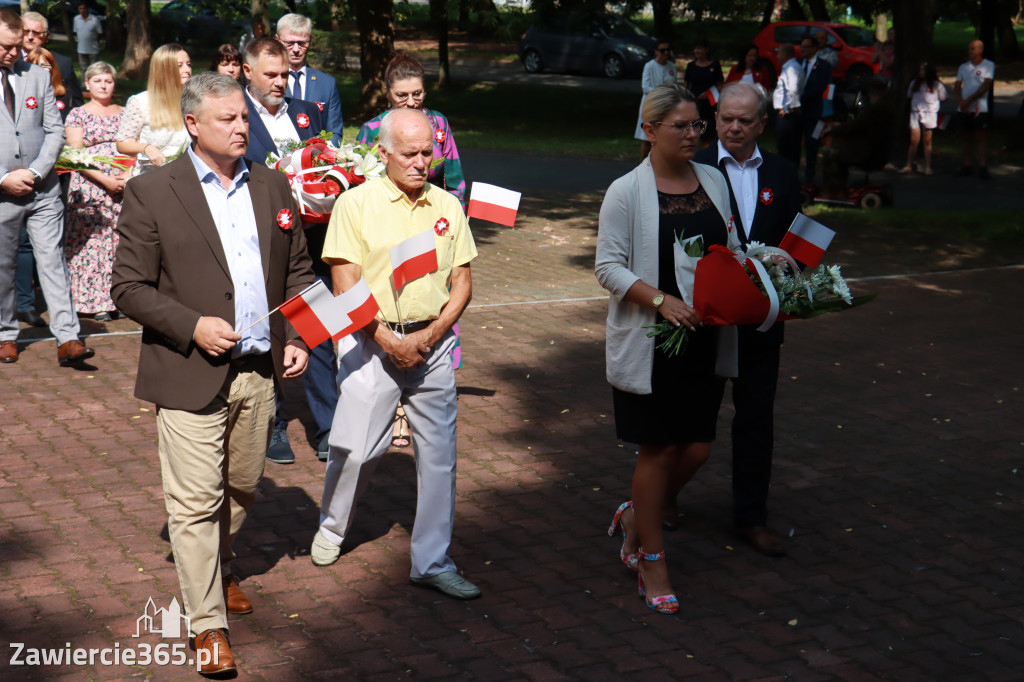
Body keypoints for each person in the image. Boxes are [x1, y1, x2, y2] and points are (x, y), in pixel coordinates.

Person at [110, 72, 315, 676]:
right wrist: (190, 325)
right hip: (188, 370)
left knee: (241, 489)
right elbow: (127, 287)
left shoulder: (275, 187)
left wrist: (302, 334)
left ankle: (216, 570)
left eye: (245, 118)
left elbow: (299, 271)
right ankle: (207, 625)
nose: (241, 127)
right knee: (195, 503)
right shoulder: (152, 191)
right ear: (193, 124)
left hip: (258, 373)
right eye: (228, 119)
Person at [313, 107, 482, 602]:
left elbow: (463, 285)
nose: (421, 161)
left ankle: (432, 560)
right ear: (382, 153)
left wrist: (428, 338)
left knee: (439, 459)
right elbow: (345, 282)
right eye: (409, 153)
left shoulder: (448, 206)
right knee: (356, 447)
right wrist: (388, 340)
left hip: (431, 342)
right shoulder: (355, 204)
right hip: (370, 342)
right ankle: (331, 527)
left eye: (428, 151)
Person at [596, 84, 742, 614]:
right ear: (650, 129)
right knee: (656, 451)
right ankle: (651, 559)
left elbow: (728, 248)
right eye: (681, 126)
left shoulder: (714, 180)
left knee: (698, 447)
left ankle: (638, 514)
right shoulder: (626, 191)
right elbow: (607, 267)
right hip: (652, 342)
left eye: (698, 125)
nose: (694, 135)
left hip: (703, 339)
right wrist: (661, 300)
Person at [694, 82, 802, 556]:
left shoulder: (784, 172)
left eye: (744, 120)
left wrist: (800, 288)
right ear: (715, 121)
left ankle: (750, 517)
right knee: (692, 414)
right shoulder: (692, 167)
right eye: (726, 119)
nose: (734, 127)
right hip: (704, 317)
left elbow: (799, 241)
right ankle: (667, 499)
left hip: (762, 321)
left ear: (762, 123)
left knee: (756, 418)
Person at [240, 37, 332, 465]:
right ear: (247, 71)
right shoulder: (236, 116)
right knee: (272, 333)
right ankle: (274, 423)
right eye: (270, 75)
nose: (281, 82)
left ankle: (327, 424)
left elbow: (327, 168)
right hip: (259, 242)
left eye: (283, 75)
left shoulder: (306, 112)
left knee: (319, 328)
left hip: (312, 241)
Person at [1, 9, 94, 366]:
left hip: (43, 189)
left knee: (52, 261)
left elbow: (56, 130)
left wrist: (38, 172)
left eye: (15, 47)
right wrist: (4, 178)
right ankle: (6, 334)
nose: (13, 53)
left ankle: (68, 337)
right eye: (6, 47)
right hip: (2, 192)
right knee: (3, 264)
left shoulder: (37, 76)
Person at [357, 53, 465, 206]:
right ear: (387, 92)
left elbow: (455, 181)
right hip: (387, 212)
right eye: (401, 95)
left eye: (417, 94)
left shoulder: (439, 123)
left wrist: (456, 217)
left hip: (433, 210)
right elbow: (361, 184)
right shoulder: (372, 129)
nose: (411, 102)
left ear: (424, 90)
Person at [64, 61, 124, 321]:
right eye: (97, 80)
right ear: (87, 84)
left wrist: (124, 177)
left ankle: (118, 299)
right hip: (90, 187)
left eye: (108, 80)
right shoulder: (78, 114)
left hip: (123, 184)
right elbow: (73, 153)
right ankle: (93, 301)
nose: (103, 85)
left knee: (118, 243)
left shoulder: (125, 112)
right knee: (92, 244)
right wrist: (105, 180)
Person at [116, 44, 191, 175]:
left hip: (188, 176)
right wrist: (146, 149)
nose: (187, 69)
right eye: (180, 66)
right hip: (154, 179)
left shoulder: (195, 100)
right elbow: (122, 143)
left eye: (188, 64)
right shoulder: (140, 101)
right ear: (164, 70)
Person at [821, 78, 898, 197]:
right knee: (838, 151)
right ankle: (837, 188)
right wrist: (841, 126)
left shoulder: (876, 108)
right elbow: (860, 125)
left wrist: (833, 130)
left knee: (830, 155)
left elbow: (855, 126)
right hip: (876, 148)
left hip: (868, 151)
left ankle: (834, 190)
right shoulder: (887, 105)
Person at [275, 13, 343, 139]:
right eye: (289, 43)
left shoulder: (327, 84)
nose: (296, 49)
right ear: (277, 40)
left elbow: (335, 133)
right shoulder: (269, 81)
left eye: (301, 43)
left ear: (310, 41)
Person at [21, 11, 83, 109]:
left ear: (46, 36)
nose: (30, 37)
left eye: (36, 33)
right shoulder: (10, 61)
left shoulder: (63, 64)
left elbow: (77, 103)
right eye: (26, 31)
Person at [954, 40, 995, 179]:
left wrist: (968, 101)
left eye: (972, 49)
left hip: (979, 107)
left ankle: (983, 166)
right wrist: (961, 103)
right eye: (969, 49)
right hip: (964, 108)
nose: (969, 51)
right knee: (966, 137)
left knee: (981, 137)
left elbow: (985, 86)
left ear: (980, 50)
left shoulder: (988, 65)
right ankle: (967, 165)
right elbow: (957, 86)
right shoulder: (963, 67)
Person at [900, 62, 947, 176]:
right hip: (916, 113)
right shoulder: (914, 83)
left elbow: (944, 97)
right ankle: (908, 165)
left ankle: (928, 167)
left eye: (923, 70)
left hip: (930, 113)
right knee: (914, 140)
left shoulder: (937, 85)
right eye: (920, 70)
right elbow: (910, 95)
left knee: (927, 141)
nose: (921, 73)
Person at [635, 39, 676, 160]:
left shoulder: (671, 66)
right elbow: (645, 87)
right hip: (650, 104)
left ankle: (658, 163)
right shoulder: (649, 66)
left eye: (668, 50)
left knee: (662, 136)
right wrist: (661, 93)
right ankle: (643, 165)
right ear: (656, 51)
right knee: (647, 138)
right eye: (662, 50)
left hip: (666, 105)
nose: (666, 53)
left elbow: (673, 86)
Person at [799, 36, 832, 182]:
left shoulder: (823, 66)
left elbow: (820, 88)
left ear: (814, 48)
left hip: (814, 112)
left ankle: (809, 176)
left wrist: (801, 98)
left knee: (812, 144)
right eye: (802, 46)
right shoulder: (798, 63)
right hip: (797, 112)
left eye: (806, 47)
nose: (803, 49)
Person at [683, 40, 724, 145]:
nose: (697, 51)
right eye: (695, 48)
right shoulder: (690, 66)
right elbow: (685, 85)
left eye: (700, 48)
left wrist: (708, 94)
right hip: (694, 105)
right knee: (692, 134)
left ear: (706, 49)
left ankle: (706, 157)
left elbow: (720, 85)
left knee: (707, 135)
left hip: (709, 105)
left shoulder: (715, 65)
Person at [772, 43, 804, 167]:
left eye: (779, 54)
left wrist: (787, 108)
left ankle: (789, 177)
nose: (777, 57)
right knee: (789, 149)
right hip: (790, 113)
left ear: (784, 54)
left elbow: (793, 89)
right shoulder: (791, 67)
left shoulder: (791, 68)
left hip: (789, 115)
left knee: (787, 149)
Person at [25, 47, 72, 120]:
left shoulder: (64, 91)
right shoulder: (22, 90)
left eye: (44, 65)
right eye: (35, 66)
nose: (39, 70)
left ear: (52, 67)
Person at [72, 3, 101, 71]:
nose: (82, 10)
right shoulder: (76, 19)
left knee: (94, 69)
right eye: (80, 9)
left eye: (84, 8)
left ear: (87, 9)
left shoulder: (94, 20)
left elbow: (100, 33)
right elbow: (76, 32)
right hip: (81, 49)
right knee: (83, 69)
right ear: (78, 10)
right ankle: (84, 81)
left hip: (93, 50)